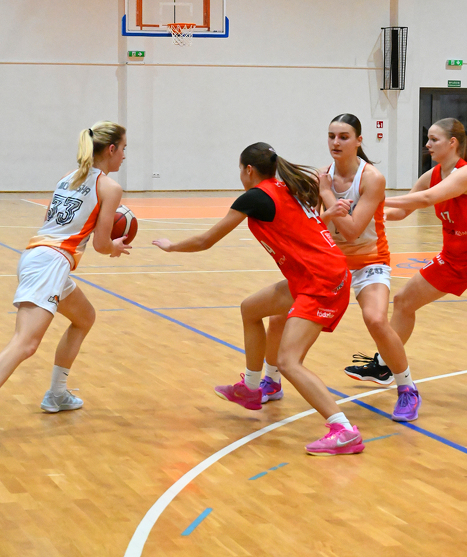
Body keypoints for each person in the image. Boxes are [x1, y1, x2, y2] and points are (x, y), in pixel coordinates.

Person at [154, 142, 365, 456]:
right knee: (251, 309)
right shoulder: (287, 187)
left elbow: (206, 240)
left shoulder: (255, 196)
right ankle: (251, 389)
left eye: (240, 170)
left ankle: (343, 430)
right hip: (315, 274)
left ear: (249, 170)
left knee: (289, 361)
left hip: (321, 281)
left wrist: (172, 246)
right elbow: (304, 227)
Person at [262, 114, 420, 423]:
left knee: (376, 319)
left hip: (369, 261)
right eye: (332, 136)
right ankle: (271, 379)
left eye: (344, 137)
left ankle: (407, 388)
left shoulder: (371, 178)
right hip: (329, 264)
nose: (336, 142)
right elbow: (312, 226)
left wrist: (326, 195)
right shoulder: (321, 176)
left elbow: (352, 231)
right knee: (280, 315)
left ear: (359, 141)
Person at [0, 122, 130, 413]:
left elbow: (50, 220)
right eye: (123, 148)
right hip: (51, 263)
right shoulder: (110, 187)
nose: (124, 155)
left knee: (84, 318)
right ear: (111, 149)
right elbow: (101, 244)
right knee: (24, 344)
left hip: (38, 255)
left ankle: (57, 394)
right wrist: (115, 246)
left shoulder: (67, 178)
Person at [370, 118, 467, 381]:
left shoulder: (464, 173)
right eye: (428, 139)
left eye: (434, 139)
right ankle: (385, 365)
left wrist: (374, 197)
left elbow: (427, 198)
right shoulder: (432, 175)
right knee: (404, 301)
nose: (428, 144)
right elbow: (403, 211)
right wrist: (373, 214)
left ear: (452, 142)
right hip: (453, 259)